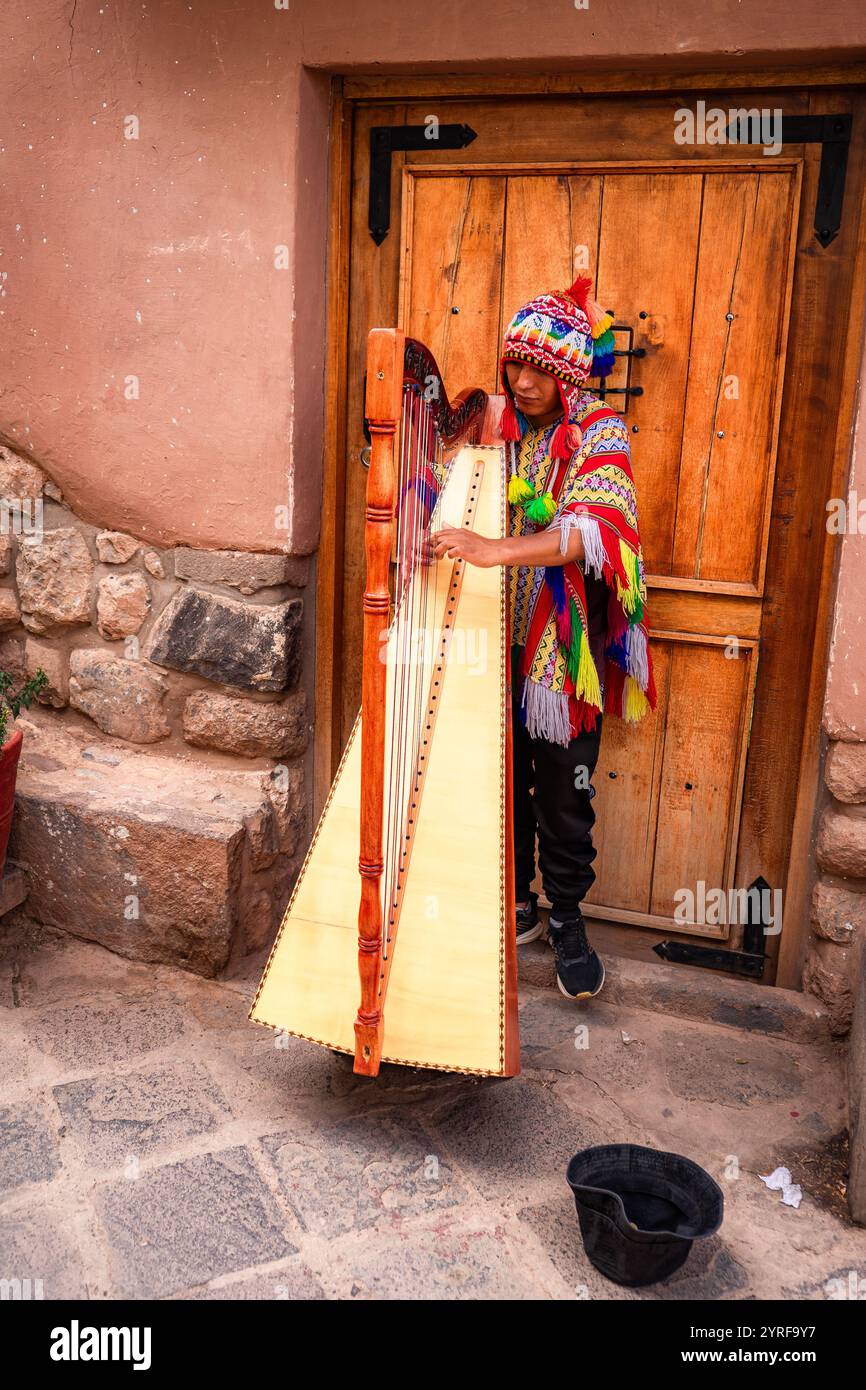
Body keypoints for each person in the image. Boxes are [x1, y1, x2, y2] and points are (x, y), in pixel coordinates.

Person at [433, 273, 656, 1001]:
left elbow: (593, 526)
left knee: (563, 790)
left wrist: (494, 549)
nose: (522, 382)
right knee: (498, 773)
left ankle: (567, 917)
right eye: (514, 366)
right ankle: (515, 900)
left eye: (540, 369)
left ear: (567, 372)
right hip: (492, 631)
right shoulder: (500, 431)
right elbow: (452, 489)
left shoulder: (600, 433)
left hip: (565, 647)